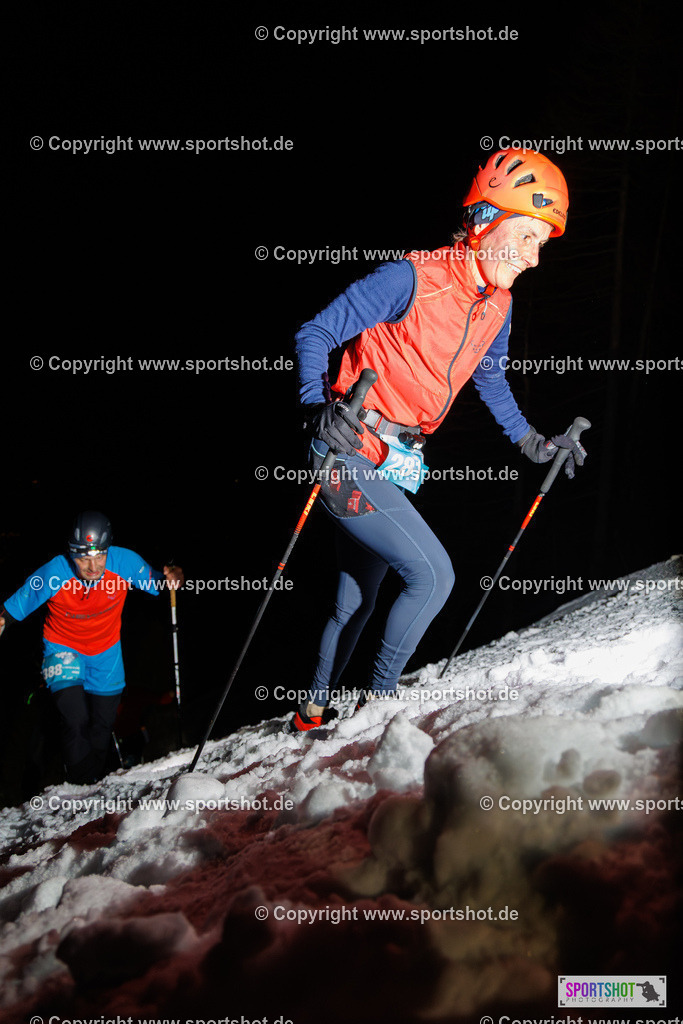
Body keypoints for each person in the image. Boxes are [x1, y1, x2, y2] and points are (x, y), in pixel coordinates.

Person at [290, 147, 586, 732]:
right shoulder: (412, 278)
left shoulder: (498, 304)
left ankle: (311, 714)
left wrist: (532, 443)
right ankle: (379, 706)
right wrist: (315, 408)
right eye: (526, 237)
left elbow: (490, 379)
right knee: (432, 575)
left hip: (394, 460)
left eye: (541, 245)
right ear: (485, 220)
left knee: (356, 600)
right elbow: (316, 331)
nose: (533, 258)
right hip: (344, 448)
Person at [0, 511, 184, 783]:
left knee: (102, 725)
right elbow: (9, 613)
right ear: (71, 553)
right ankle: (79, 786)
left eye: (100, 556)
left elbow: (161, 583)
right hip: (62, 649)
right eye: (83, 558)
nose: (93, 566)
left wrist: (174, 577)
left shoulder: (124, 562)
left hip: (106, 653)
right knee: (75, 719)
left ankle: (93, 782)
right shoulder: (54, 573)